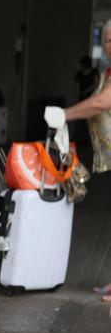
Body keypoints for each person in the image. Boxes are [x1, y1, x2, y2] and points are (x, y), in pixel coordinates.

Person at [45, 20, 111, 301]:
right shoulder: (107, 72)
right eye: (107, 40)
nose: (110, 45)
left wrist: (64, 113)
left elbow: (101, 104)